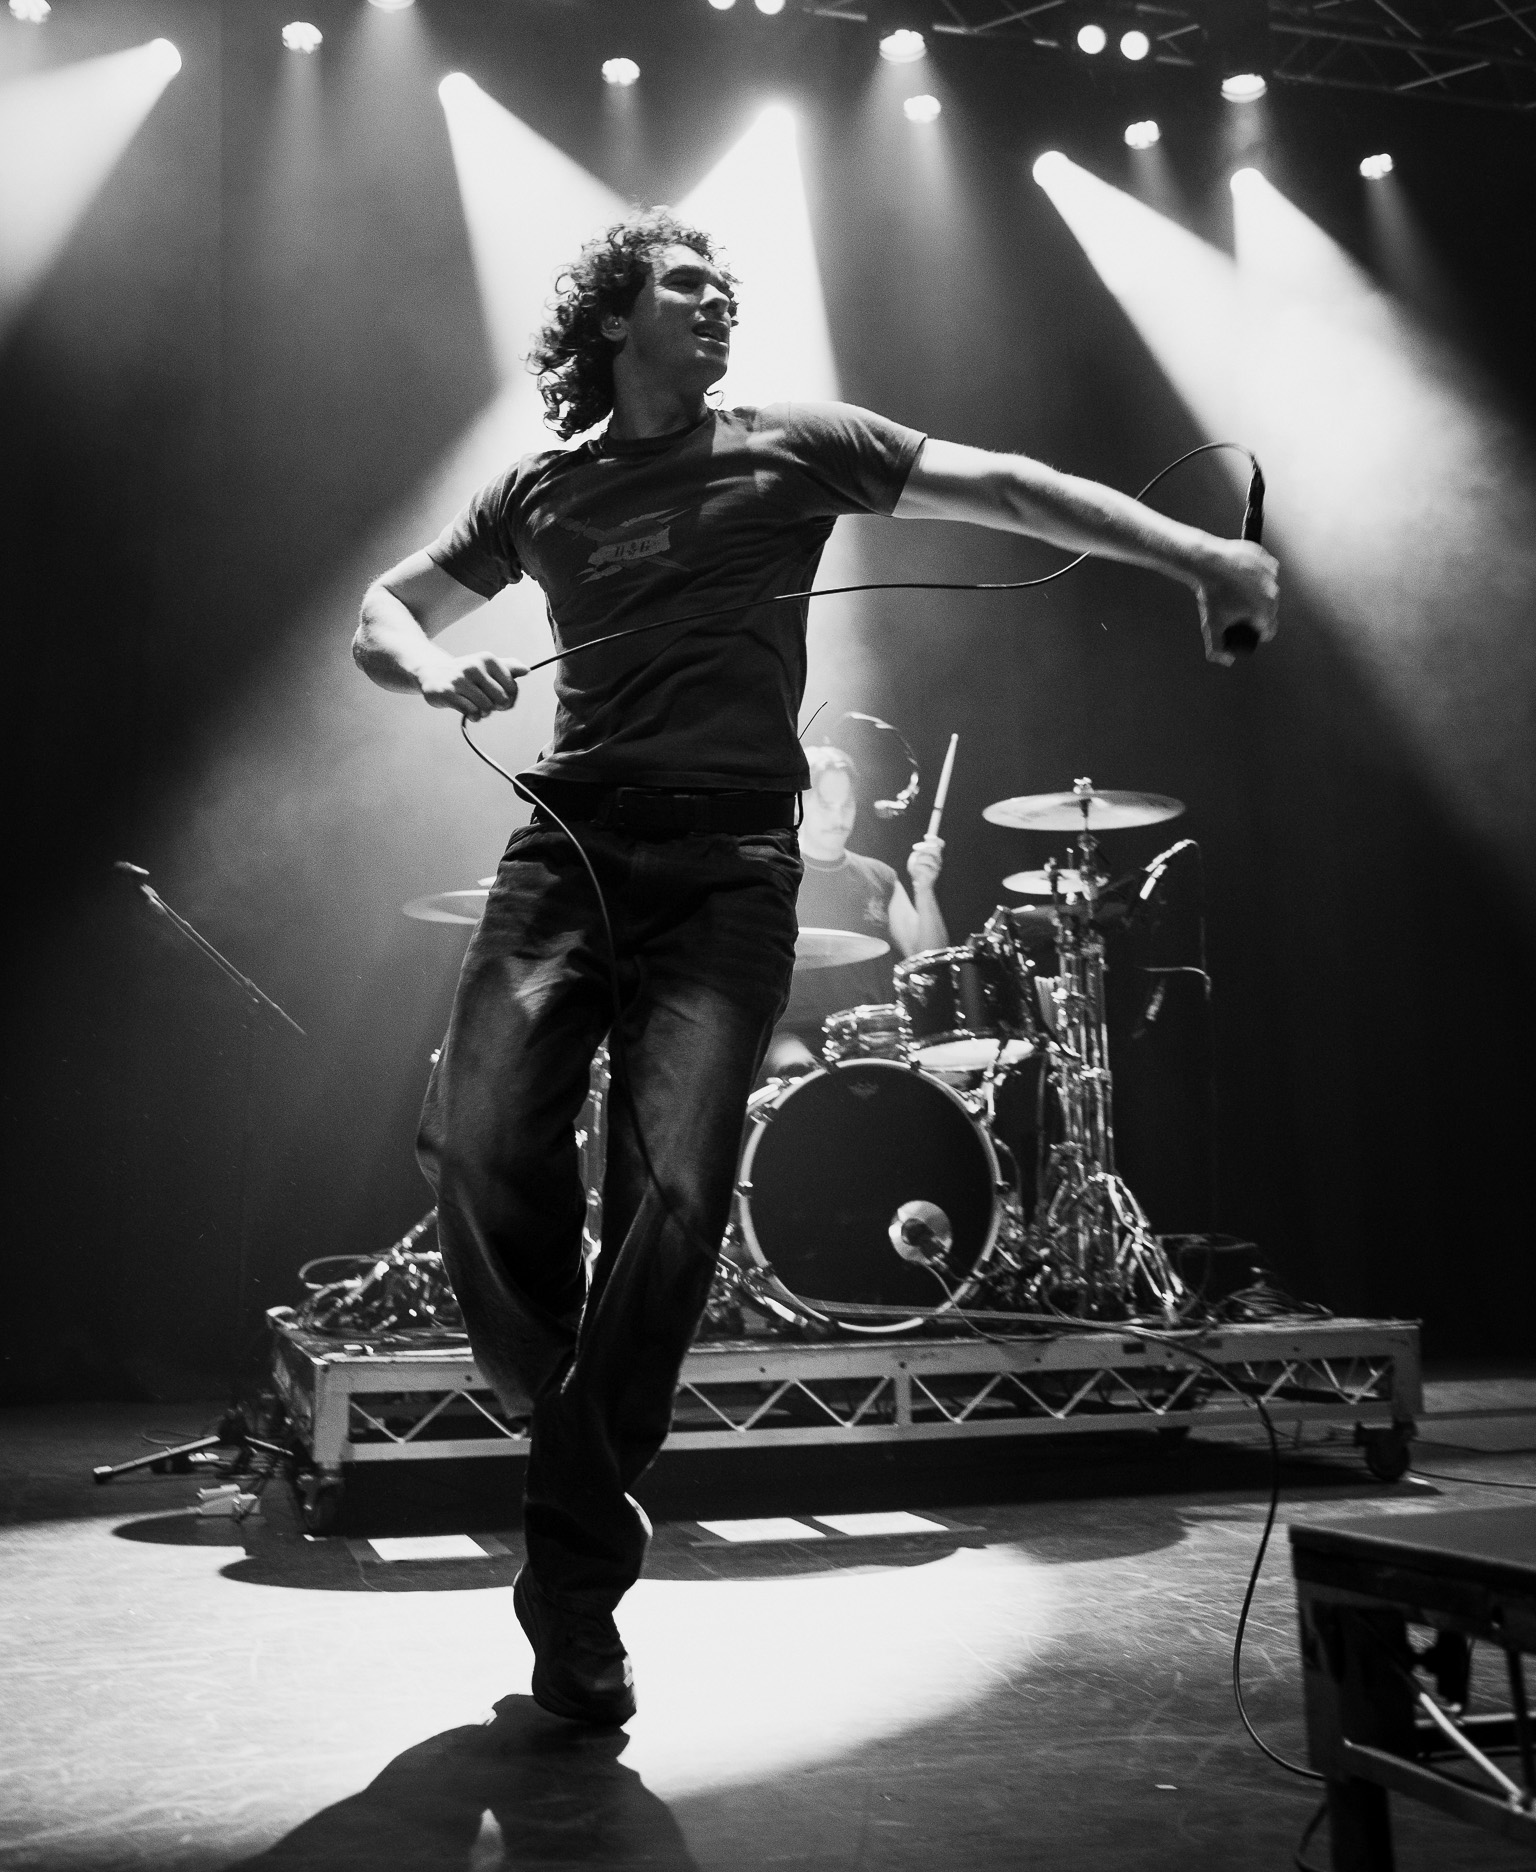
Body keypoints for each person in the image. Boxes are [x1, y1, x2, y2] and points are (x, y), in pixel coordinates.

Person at [352, 209, 1278, 1726]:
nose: (719, 301)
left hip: (730, 868)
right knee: (472, 1133)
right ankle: (567, 1422)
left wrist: (1201, 553)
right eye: (687, 283)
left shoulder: (797, 442)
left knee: (672, 1197)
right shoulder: (544, 490)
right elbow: (381, 613)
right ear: (614, 319)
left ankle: (573, 1580)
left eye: (729, 286)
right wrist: (434, 666)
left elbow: (1010, 485)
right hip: (572, 844)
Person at [765, 743, 946, 1076]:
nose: (839, 818)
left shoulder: (879, 876)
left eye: (846, 804)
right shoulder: (774, 875)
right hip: (791, 1033)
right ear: (797, 805)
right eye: (825, 805)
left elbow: (929, 961)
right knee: (795, 1068)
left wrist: (924, 888)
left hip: (870, 1033)